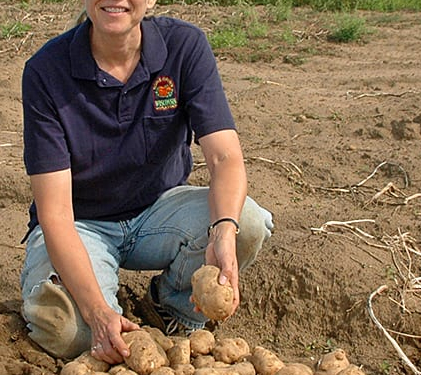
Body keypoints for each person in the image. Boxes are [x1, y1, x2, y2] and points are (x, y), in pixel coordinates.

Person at [19, 0, 273, 364]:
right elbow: (56, 213)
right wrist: (97, 313)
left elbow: (224, 158)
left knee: (246, 222)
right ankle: (100, 306)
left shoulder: (184, 47)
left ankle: (173, 313)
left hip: (159, 213)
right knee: (68, 330)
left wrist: (222, 233)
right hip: (80, 224)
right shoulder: (46, 72)